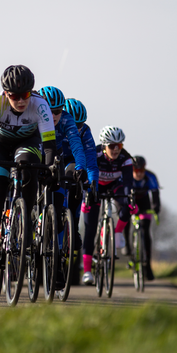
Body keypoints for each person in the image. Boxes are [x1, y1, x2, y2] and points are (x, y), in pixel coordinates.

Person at [0, 65, 57, 287]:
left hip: (27, 144)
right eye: (14, 96)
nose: (21, 101)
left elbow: (49, 145)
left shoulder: (40, 105)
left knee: (28, 165)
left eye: (25, 95)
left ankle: (27, 219)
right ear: (6, 93)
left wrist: (49, 168)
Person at [81, 126, 134, 285]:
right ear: (104, 145)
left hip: (114, 186)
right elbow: (85, 176)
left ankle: (116, 232)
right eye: (112, 146)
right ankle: (87, 271)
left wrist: (129, 198)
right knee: (90, 228)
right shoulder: (94, 154)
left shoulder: (126, 159)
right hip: (95, 186)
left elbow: (128, 184)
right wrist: (87, 197)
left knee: (130, 205)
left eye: (119, 145)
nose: (116, 149)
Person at [38, 88, 88, 244]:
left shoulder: (66, 120)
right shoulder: (33, 116)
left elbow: (76, 145)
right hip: (36, 154)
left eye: (57, 111)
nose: (52, 116)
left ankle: (56, 258)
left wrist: (80, 167)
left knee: (58, 214)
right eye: (48, 111)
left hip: (54, 156)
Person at [62, 98, 99, 248]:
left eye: (80, 124)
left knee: (78, 181)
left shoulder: (85, 131)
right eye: (74, 124)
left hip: (74, 161)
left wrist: (92, 184)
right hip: (54, 158)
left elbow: (91, 159)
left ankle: (73, 224)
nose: (77, 128)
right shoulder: (56, 125)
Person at [122, 155, 161, 281]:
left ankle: (147, 265)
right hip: (130, 201)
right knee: (125, 220)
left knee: (145, 229)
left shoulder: (150, 176)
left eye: (141, 170)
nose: (138, 173)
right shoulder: (126, 176)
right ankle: (127, 245)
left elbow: (155, 193)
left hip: (144, 202)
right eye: (135, 170)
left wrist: (156, 207)